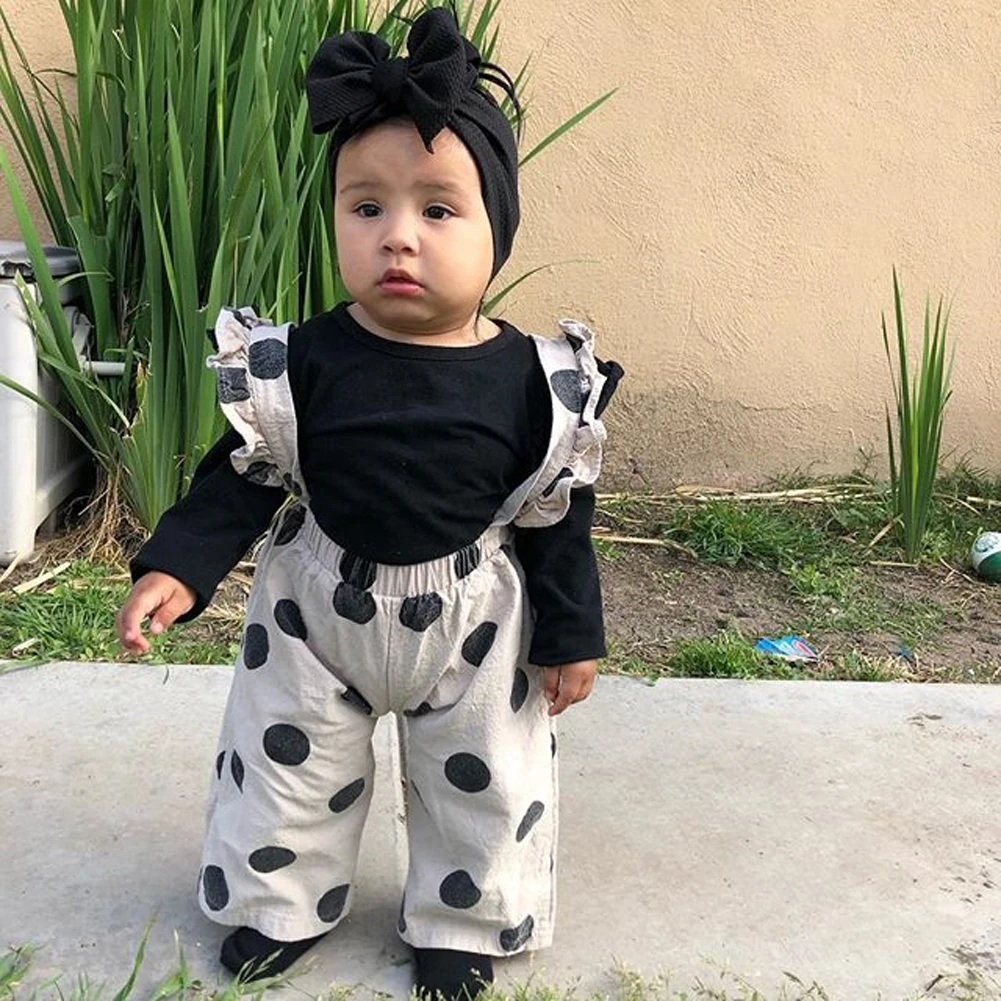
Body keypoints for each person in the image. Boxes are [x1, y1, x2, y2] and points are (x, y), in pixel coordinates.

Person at [116, 7, 623, 999]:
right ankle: (277, 903)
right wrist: (177, 565)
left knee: (486, 776)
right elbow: (242, 473)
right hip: (314, 615)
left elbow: (555, 516)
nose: (397, 235)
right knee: (284, 768)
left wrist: (570, 631)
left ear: (497, 229)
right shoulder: (298, 361)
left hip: (474, 621)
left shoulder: (533, 381)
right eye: (365, 207)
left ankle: (462, 918)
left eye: (438, 210)